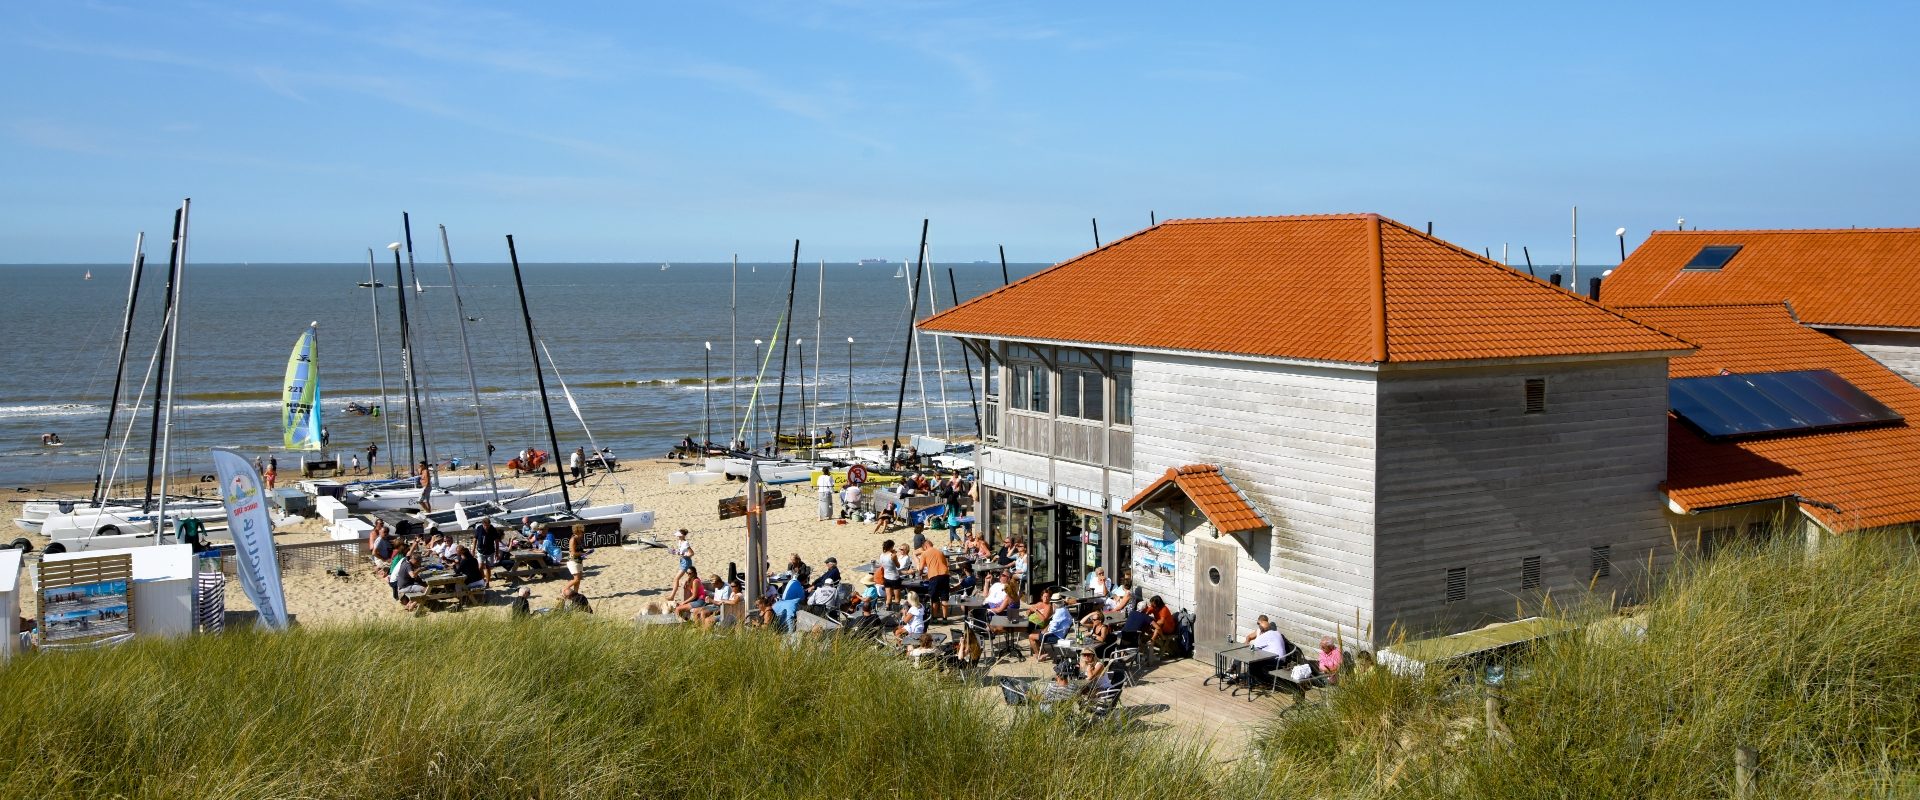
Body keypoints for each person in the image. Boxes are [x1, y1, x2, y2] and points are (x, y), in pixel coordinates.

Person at [1032, 592, 1073, 658]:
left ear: (1054, 604)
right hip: (1061, 633)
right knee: (1036, 632)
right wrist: (1044, 630)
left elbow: (1051, 630)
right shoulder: (1064, 610)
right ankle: (1042, 652)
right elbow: (1053, 624)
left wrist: (1044, 632)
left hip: (1056, 636)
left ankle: (1039, 656)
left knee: (1031, 636)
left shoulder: (1058, 613)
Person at [918, 539, 950, 619]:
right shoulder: (940, 552)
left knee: (934, 598)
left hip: (934, 577)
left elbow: (921, 568)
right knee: (944, 598)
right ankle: (945, 618)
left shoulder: (924, 553)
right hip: (945, 575)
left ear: (925, 546)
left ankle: (934, 617)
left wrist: (920, 574)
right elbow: (946, 564)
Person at [877, 540, 902, 608]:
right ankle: (897, 610)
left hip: (886, 577)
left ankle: (887, 607)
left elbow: (881, 564)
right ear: (891, 547)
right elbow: (898, 566)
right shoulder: (893, 556)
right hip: (894, 578)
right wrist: (894, 554)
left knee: (888, 596)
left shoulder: (882, 555)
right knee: (897, 598)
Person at [565, 524, 586, 595]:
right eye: (582, 531)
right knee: (576, 579)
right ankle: (564, 590)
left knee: (578, 579)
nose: (583, 533)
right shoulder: (573, 539)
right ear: (578, 531)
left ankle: (575, 594)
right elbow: (573, 553)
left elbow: (579, 551)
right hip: (573, 561)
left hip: (579, 560)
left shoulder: (579, 539)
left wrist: (585, 553)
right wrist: (582, 554)